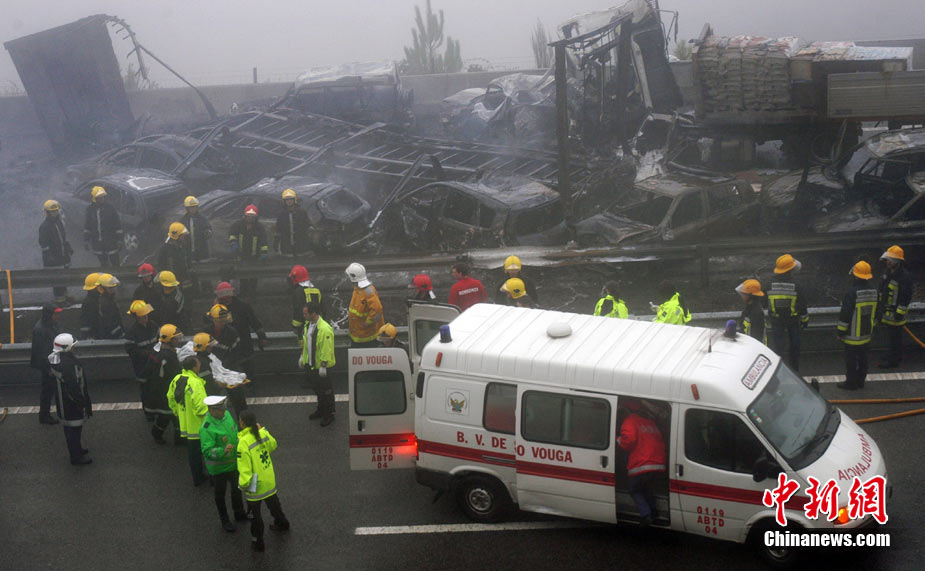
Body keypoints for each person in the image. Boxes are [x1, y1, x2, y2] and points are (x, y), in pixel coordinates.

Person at [237, 410, 290, 552]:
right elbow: (273, 445)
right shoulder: (261, 433)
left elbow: (244, 468)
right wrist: (264, 430)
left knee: (255, 515)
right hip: (268, 478)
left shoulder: (243, 442)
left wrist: (243, 485)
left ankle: (258, 541)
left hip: (255, 484)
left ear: (243, 423)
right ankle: (282, 523)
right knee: (274, 504)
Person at [200, 395, 247, 531]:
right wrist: (222, 451)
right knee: (220, 495)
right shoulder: (206, 428)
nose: (223, 412)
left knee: (237, 490)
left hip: (233, 464)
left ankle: (239, 513)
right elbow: (207, 451)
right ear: (212, 411)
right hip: (219, 469)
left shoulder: (226, 415)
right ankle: (224, 520)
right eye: (220, 410)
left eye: (223, 409)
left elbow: (234, 433)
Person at [617, 399, 666, 526]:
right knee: (646, 487)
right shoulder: (650, 423)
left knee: (634, 490)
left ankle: (646, 515)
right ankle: (654, 511)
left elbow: (628, 441)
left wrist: (618, 440)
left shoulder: (630, 421)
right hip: (657, 464)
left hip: (641, 464)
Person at [48, 333, 93, 465]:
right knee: (74, 430)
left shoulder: (56, 360)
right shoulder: (69, 365)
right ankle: (76, 456)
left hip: (64, 403)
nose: (74, 348)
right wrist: (82, 402)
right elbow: (74, 386)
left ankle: (77, 450)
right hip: (71, 404)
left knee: (71, 430)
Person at [214, 281, 268, 384]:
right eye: (223, 298)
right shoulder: (217, 310)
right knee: (230, 370)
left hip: (244, 344)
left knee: (248, 367)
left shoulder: (243, 306)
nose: (226, 300)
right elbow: (210, 324)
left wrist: (262, 337)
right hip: (227, 347)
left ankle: (250, 385)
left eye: (228, 297)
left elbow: (254, 322)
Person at [836, 261, 879, 390]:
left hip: (852, 334)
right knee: (863, 358)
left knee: (851, 360)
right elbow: (877, 311)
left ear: (855, 276)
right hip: (866, 333)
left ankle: (851, 383)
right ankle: (861, 381)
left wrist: (840, 332)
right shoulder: (874, 291)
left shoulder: (852, 292)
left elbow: (846, 314)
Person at [168, 356, 208, 486]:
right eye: (198, 363)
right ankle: (205, 477)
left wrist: (177, 412)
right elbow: (201, 406)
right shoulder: (195, 382)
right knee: (205, 451)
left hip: (186, 424)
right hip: (199, 425)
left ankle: (197, 478)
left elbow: (170, 397)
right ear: (194, 366)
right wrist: (209, 419)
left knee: (192, 453)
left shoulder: (176, 379)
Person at [767, 254, 809, 371]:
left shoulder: (769, 283)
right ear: (790, 270)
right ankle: (795, 369)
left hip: (776, 320)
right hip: (793, 320)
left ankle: (777, 370)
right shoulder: (797, 286)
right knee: (794, 346)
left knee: (778, 347)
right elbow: (802, 306)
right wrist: (805, 320)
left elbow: (765, 302)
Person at [205, 304, 247, 415]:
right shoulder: (205, 332)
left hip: (229, 367)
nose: (223, 323)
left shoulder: (232, 333)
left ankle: (243, 421)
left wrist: (224, 366)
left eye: (224, 321)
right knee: (212, 396)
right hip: (211, 368)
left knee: (238, 396)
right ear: (213, 320)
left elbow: (237, 353)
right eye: (220, 321)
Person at [300, 301, 336, 426]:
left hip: (321, 367)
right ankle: (321, 410)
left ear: (313, 313)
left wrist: (323, 365)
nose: (304, 315)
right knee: (318, 390)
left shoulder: (324, 329)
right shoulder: (308, 326)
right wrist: (302, 357)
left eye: (306, 313)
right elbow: (307, 345)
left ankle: (329, 414)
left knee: (326, 391)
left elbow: (326, 348)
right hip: (312, 365)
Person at [877, 245, 913, 368]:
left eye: (891, 259)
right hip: (887, 313)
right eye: (888, 259)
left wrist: (899, 312)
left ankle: (893, 361)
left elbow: (906, 296)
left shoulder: (904, 277)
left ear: (898, 262)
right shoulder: (888, 273)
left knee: (895, 338)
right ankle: (892, 354)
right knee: (891, 337)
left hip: (896, 315)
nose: (888, 261)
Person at [124, 300, 160, 420]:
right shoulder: (131, 332)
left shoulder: (153, 326)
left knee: (156, 387)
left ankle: (156, 409)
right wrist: (146, 354)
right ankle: (148, 413)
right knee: (146, 390)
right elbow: (131, 350)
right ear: (136, 317)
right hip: (141, 367)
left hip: (155, 364)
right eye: (142, 315)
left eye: (146, 314)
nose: (146, 317)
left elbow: (159, 341)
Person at [150, 324, 183, 445]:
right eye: (175, 338)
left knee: (173, 415)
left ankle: (179, 437)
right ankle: (158, 433)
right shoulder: (167, 356)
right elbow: (173, 373)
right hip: (167, 390)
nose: (178, 340)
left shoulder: (164, 352)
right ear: (169, 339)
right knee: (168, 415)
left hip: (165, 390)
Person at [228, 204, 268, 299]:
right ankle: (243, 294)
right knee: (243, 277)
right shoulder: (238, 225)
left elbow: (264, 242)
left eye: (252, 217)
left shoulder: (260, 228)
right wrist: (233, 243)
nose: (250, 218)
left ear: (255, 217)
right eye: (248, 216)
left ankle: (252, 295)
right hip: (241, 256)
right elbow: (232, 234)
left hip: (255, 257)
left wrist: (263, 254)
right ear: (245, 216)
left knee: (253, 277)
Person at [31, 305, 62, 425]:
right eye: (55, 314)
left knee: (50, 389)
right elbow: (41, 351)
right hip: (48, 364)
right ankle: (44, 415)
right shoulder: (41, 329)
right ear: (49, 315)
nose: (57, 316)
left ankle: (46, 414)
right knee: (47, 390)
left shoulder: (50, 324)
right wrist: (49, 368)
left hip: (52, 361)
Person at [39, 199, 73, 305]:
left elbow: (63, 238)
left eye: (56, 211)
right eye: (52, 211)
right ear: (47, 212)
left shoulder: (59, 222)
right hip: (53, 259)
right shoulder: (44, 226)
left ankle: (65, 297)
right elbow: (43, 244)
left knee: (64, 278)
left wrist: (67, 247)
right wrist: (49, 256)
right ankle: (60, 300)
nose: (55, 213)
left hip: (63, 257)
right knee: (57, 281)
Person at [346, 262, 384, 348]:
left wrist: (366, 324)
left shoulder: (368, 291)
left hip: (367, 339)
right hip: (357, 335)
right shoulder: (357, 288)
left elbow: (377, 312)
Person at [83, 185, 122, 267]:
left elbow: (117, 225)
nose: (102, 199)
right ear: (94, 198)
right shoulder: (90, 210)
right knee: (103, 264)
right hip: (97, 243)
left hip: (111, 241)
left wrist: (119, 240)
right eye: (99, 197)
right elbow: (88, 226)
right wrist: (86, 240)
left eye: (103, 197)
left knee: (115, 263)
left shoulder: (110, 208)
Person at [157, 222, 193, 295]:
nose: (184, 238)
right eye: (182, 236)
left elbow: (188, 265)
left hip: (185, 284)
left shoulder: (184, 248)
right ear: (176, 236)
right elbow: (161, 268)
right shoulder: (165, 250)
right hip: (172, 285)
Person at [288, 266, 323, 337]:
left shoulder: (298, 292)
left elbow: (298, 310)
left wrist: (295, 327)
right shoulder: (317, 290)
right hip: (318, 327)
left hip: (304, 329)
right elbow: (323, 309)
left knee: (306, 346)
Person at [275, 188, 311, 257]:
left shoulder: (302, 213)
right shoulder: (281, 215)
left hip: (301, 248)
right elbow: (278, 231)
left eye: (291, 199)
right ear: (284, 201)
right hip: (287, 249)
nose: (289, 201)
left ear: (294, 200)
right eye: (287, 200)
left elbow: (307, 228)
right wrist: (276, 245)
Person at [181, 195, 212, 262]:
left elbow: (209, 228)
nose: (193, 209)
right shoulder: (183, 221)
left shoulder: (202, 219)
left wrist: (208, 232)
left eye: (195, 207)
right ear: (187, 208)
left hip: (201, 250)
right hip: (187, 251)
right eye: (191, 207)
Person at [736, 279, 766, 344]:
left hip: (754, 348)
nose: (742, 296)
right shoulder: (749, 309)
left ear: (751, 296)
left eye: (744, 294)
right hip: (748, 345)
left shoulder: (756, 312)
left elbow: (756, 335)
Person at [95, 274, 125, 339]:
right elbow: (109, 321)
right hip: (110, 336)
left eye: (114, 287)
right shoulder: (105, 302)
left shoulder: (110, 299)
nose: (113, 289)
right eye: (110, 288)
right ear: (103, 288)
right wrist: (120, 333)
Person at [78, 273, 101, 340]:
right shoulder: (90, 303)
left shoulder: (94, 299)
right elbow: (87, 321)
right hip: (95, 335)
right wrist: (88, 336)